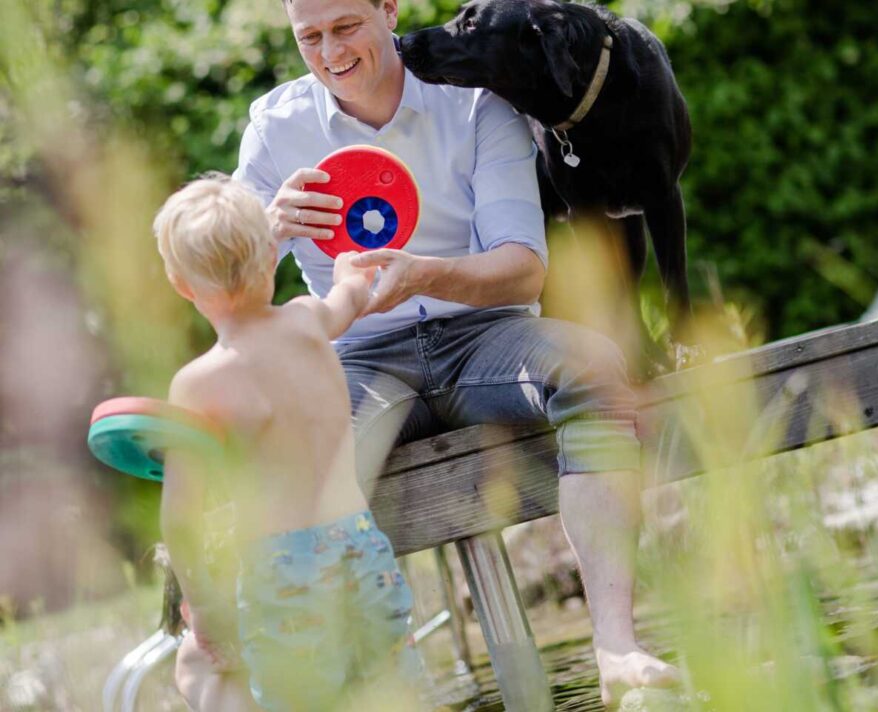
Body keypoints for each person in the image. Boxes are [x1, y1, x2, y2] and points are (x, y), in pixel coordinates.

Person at [233, 0, 680, 705]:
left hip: (486, 338)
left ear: (389, 8)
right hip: (359, 359)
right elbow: (236, 307)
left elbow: (523, 268)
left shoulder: (476, 105)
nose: (329, 54)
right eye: (308, 38)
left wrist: (422, 273)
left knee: (593, 363)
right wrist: (266, 232)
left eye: (346, 27)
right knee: (292, 463)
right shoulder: (275, 128)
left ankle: (616, 648)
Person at [154, 174, 423, 710]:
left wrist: (204, 606)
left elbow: (179, 517)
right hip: (360, 545)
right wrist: (349, 269)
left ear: (182, 285)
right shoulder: (306, 320)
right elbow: (348, 299)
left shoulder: (199, 383)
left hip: (283, 573)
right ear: (269, 258)